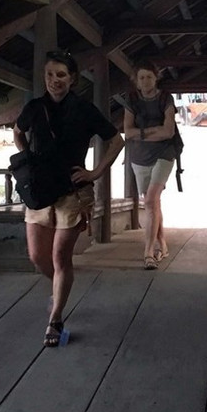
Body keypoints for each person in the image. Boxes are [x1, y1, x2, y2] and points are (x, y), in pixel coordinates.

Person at [13, 49, 124, 347]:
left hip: (73, 191)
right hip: (39, 190)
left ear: (72, 78)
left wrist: (96, 172)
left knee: (60, 256)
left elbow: (116, 140)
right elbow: (18, 131)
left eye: (61, 75)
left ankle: (56, 318)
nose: (54, 80)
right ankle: (60, 288)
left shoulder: (85, 110)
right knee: (38, 256)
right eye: (50, 74)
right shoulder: (35, 107)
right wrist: (27, 159)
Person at [123, 60, 177, 270]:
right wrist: (154, 132)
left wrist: (141, 134)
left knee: (151, 199)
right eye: (142, 77)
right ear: (136, 81)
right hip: (139, 157)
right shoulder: (132, 99)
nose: (145, 81)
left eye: (149, 77)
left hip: (164, 154)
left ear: (156, 79)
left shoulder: (165, 98)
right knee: (152, 203)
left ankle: (148, 252)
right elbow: (127, 132)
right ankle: (162, 243)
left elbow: (169, 132)